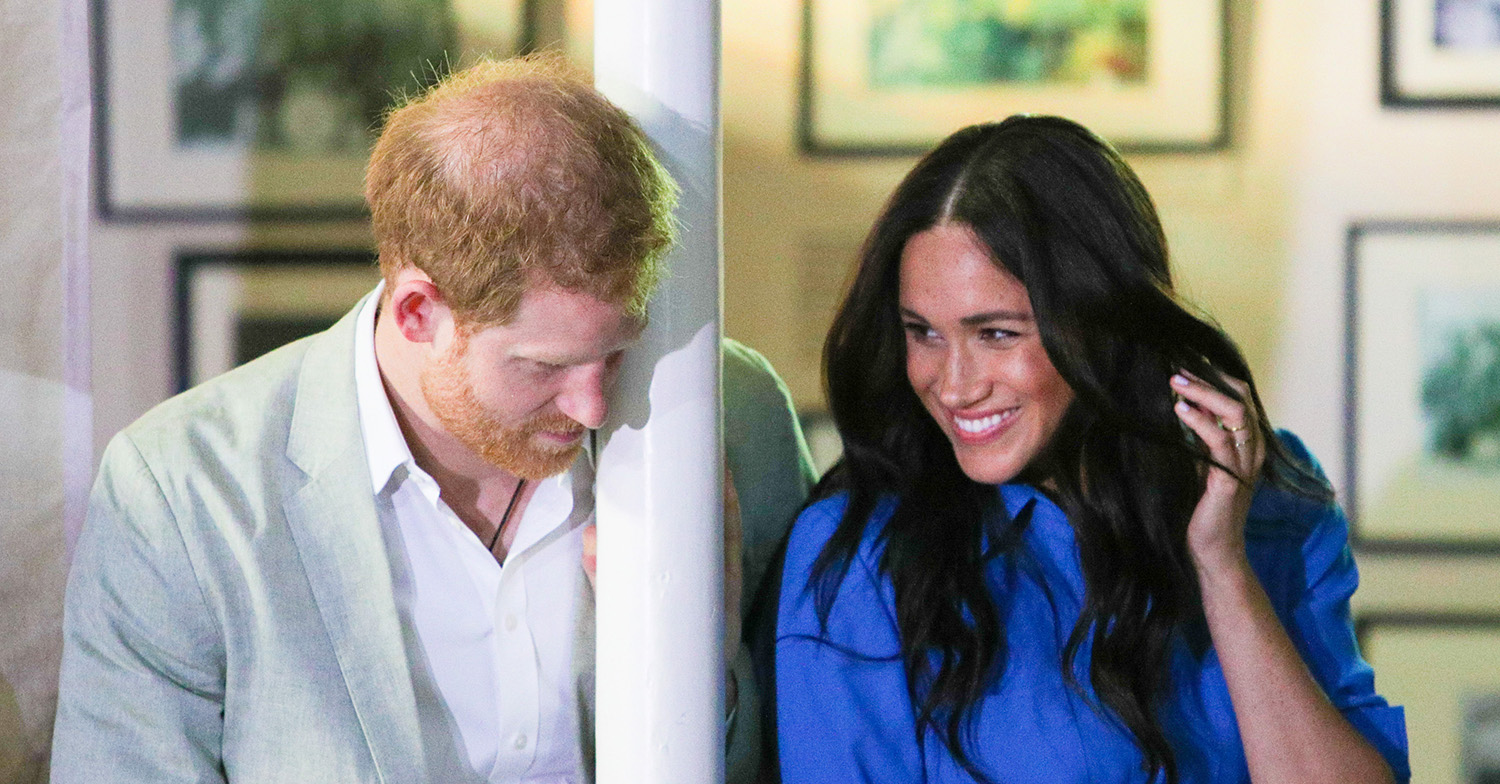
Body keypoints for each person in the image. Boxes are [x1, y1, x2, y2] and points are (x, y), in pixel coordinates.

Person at [52, 55, 814, 782]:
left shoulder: (732, 419)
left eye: (615, 353)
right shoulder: (180, 493)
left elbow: (807, 752)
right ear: (418, 310)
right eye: (545, 367)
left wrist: (701, 665)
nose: (591, 408)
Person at [772, 116, 1408, 784]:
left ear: (1096, 321)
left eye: (994, 333)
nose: (953, 386)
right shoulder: (860, 556)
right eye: (923, 333)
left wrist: (1222, 568)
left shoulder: (1269, 499)